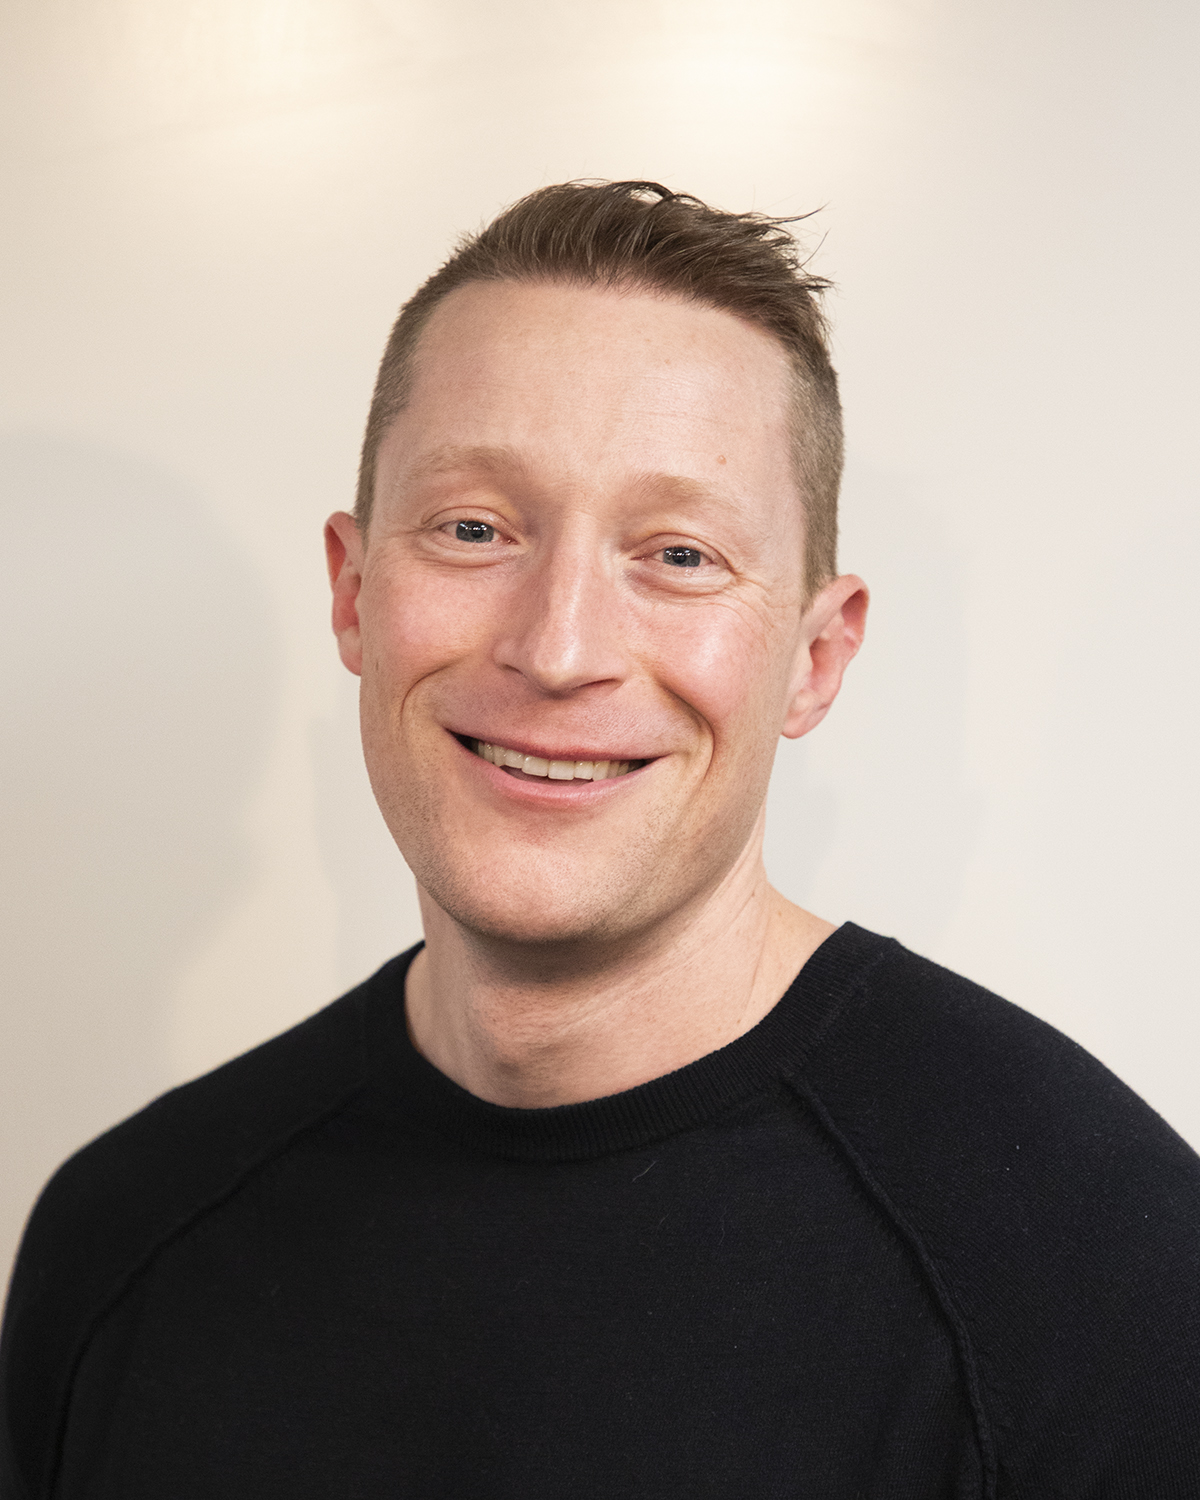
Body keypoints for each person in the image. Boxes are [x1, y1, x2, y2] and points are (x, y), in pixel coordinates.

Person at [2, 181, 1198, 1500]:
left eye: (679, 555)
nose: (559, 648)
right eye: (474, 529)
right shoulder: (121, 1239)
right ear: (353, 591)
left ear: (815, 657)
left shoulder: (1102, 1276)